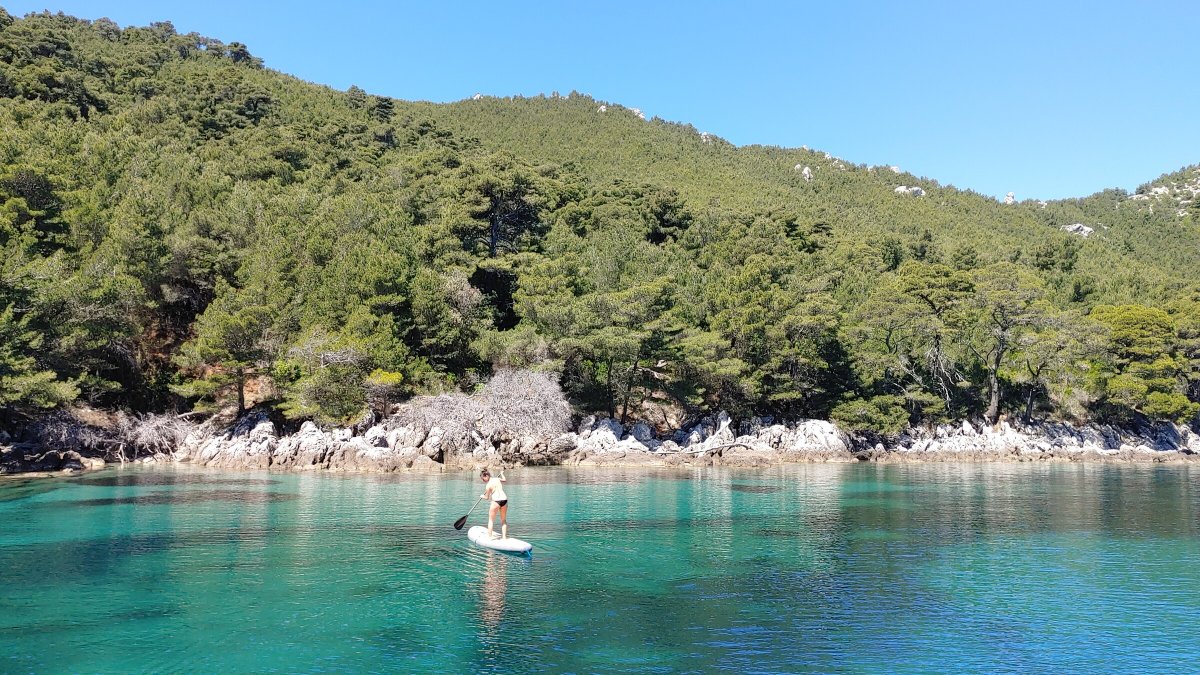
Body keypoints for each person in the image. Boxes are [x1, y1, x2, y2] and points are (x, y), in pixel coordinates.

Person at [480, 468, 508, 539]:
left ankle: (490, 537)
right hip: (504, 500)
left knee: (491, 520)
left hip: (496, 501)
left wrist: (482, 496)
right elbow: (504, 480)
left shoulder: (488, 485)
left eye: (483, 479)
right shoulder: (497, 479)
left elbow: (487, 497)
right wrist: (501, 474)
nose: (483, 481)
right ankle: (504, 538)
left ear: (486, 476)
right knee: (503, 520)